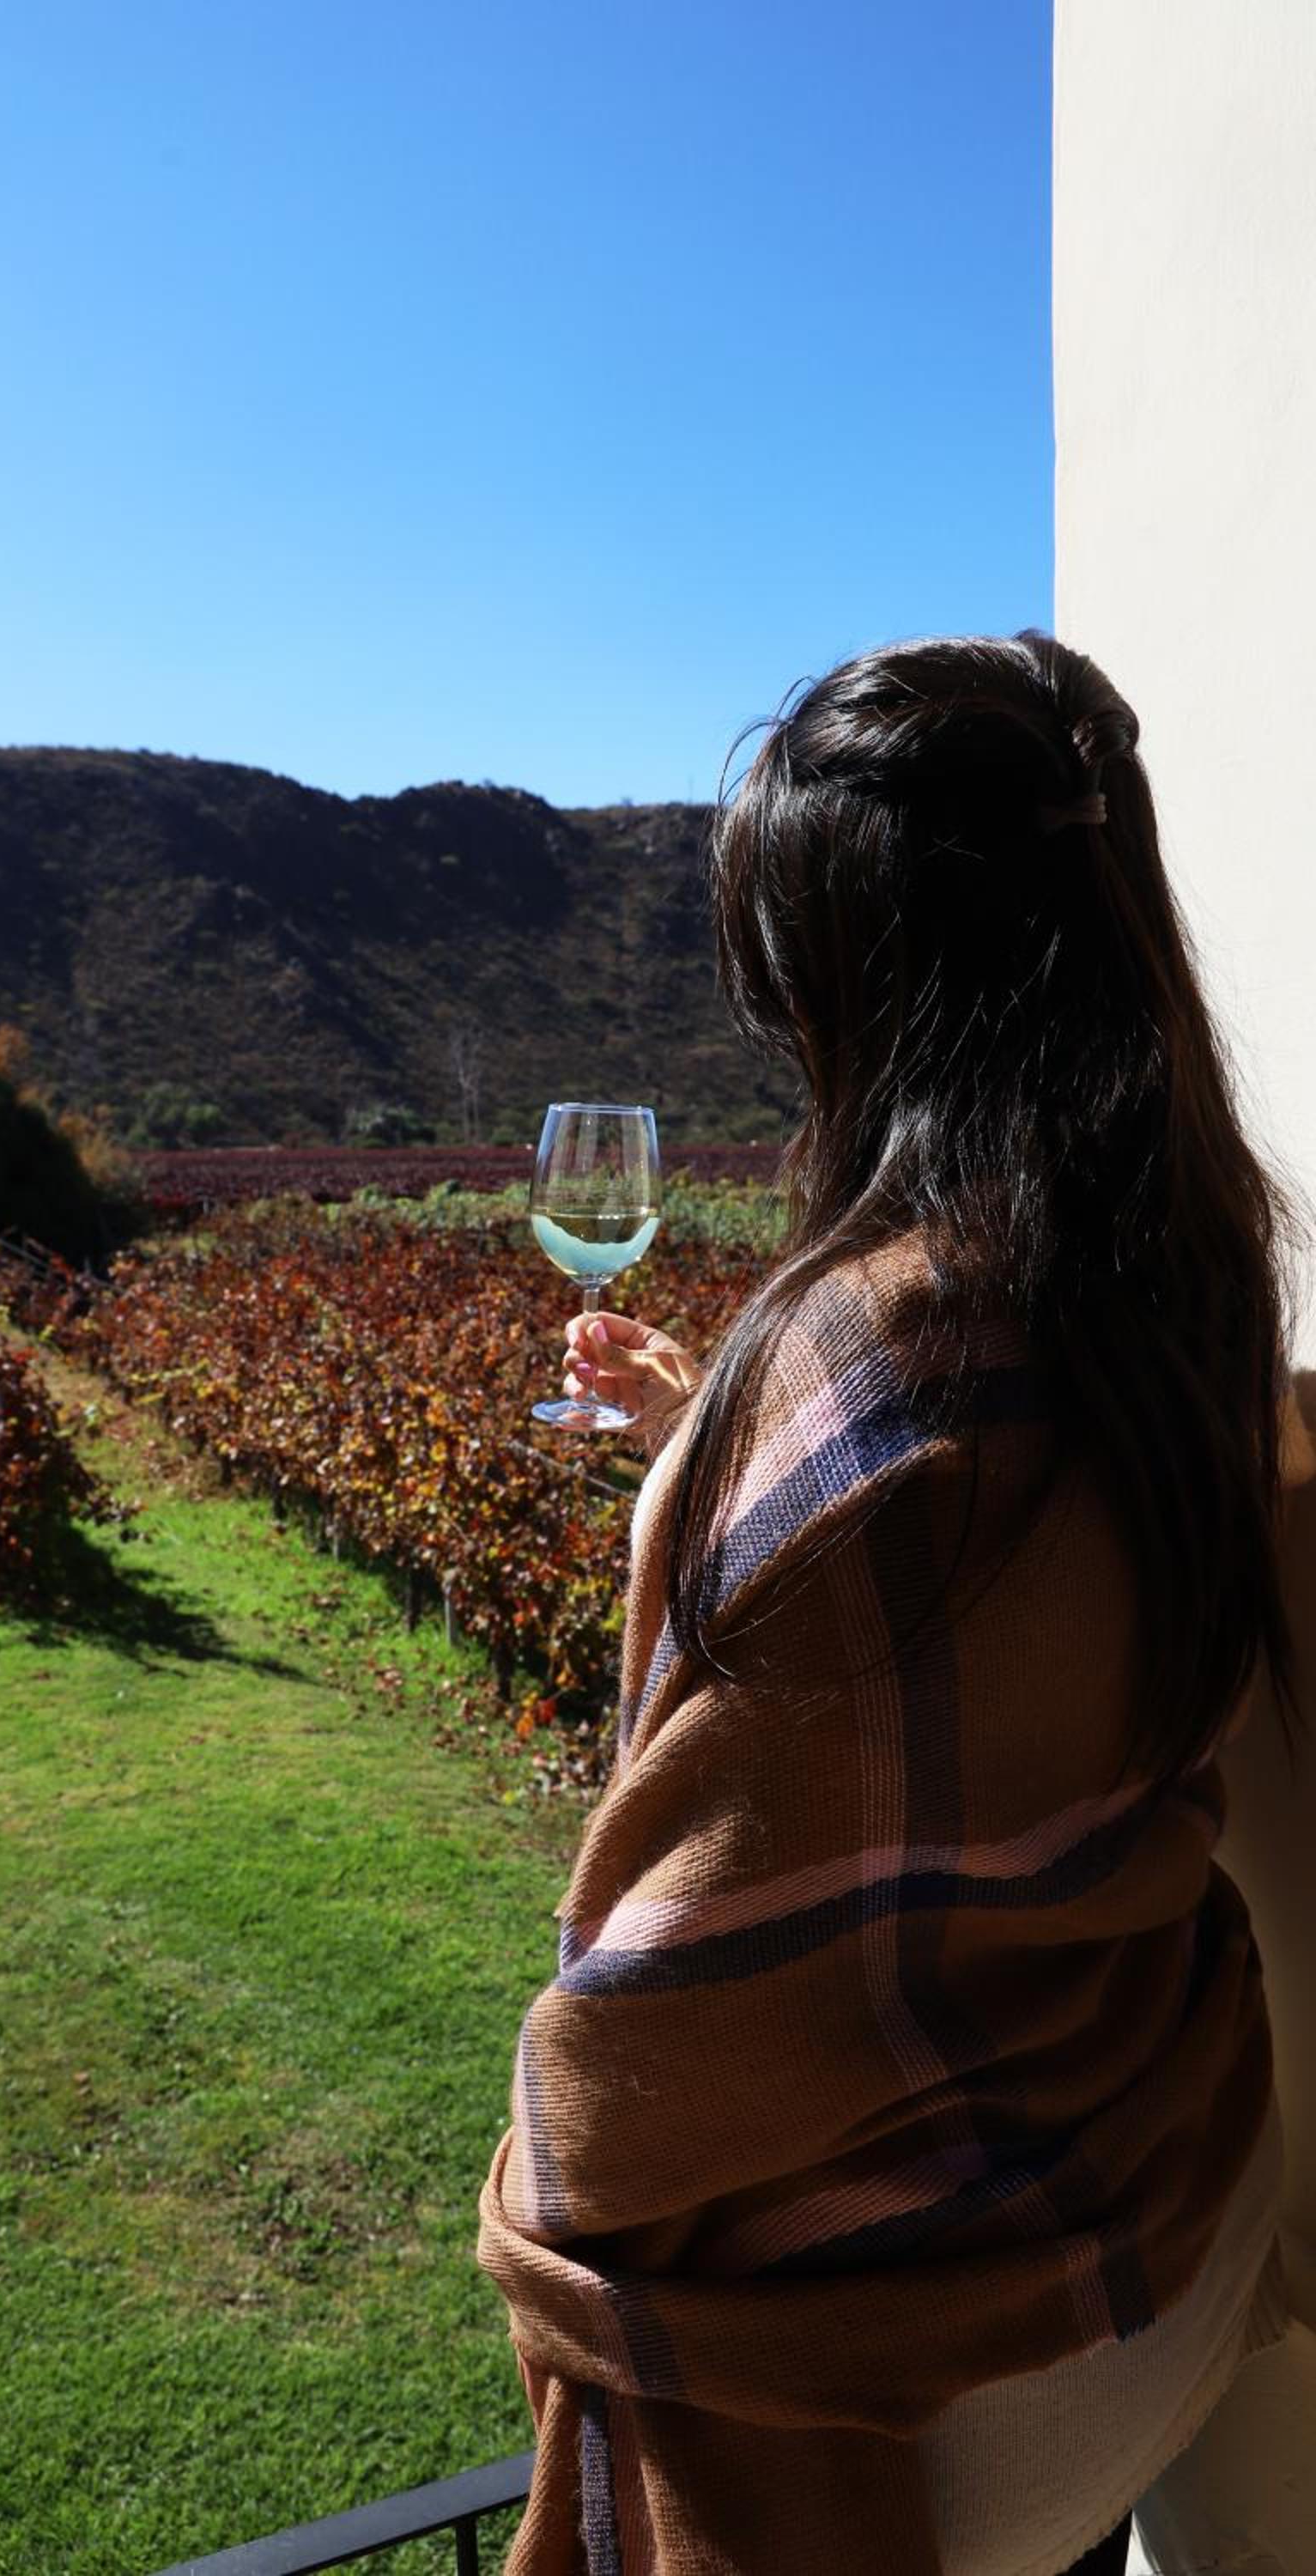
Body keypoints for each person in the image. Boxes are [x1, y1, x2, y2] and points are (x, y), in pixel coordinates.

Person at [476, 631, 1308, 2576]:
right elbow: (980, 1588)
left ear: (850, 974)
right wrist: (708, 1432)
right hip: (1159, 2196)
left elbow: (668, 2033)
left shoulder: (867, 1346)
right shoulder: (1186, 1276)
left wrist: (541, 2164)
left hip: (922, 2372)